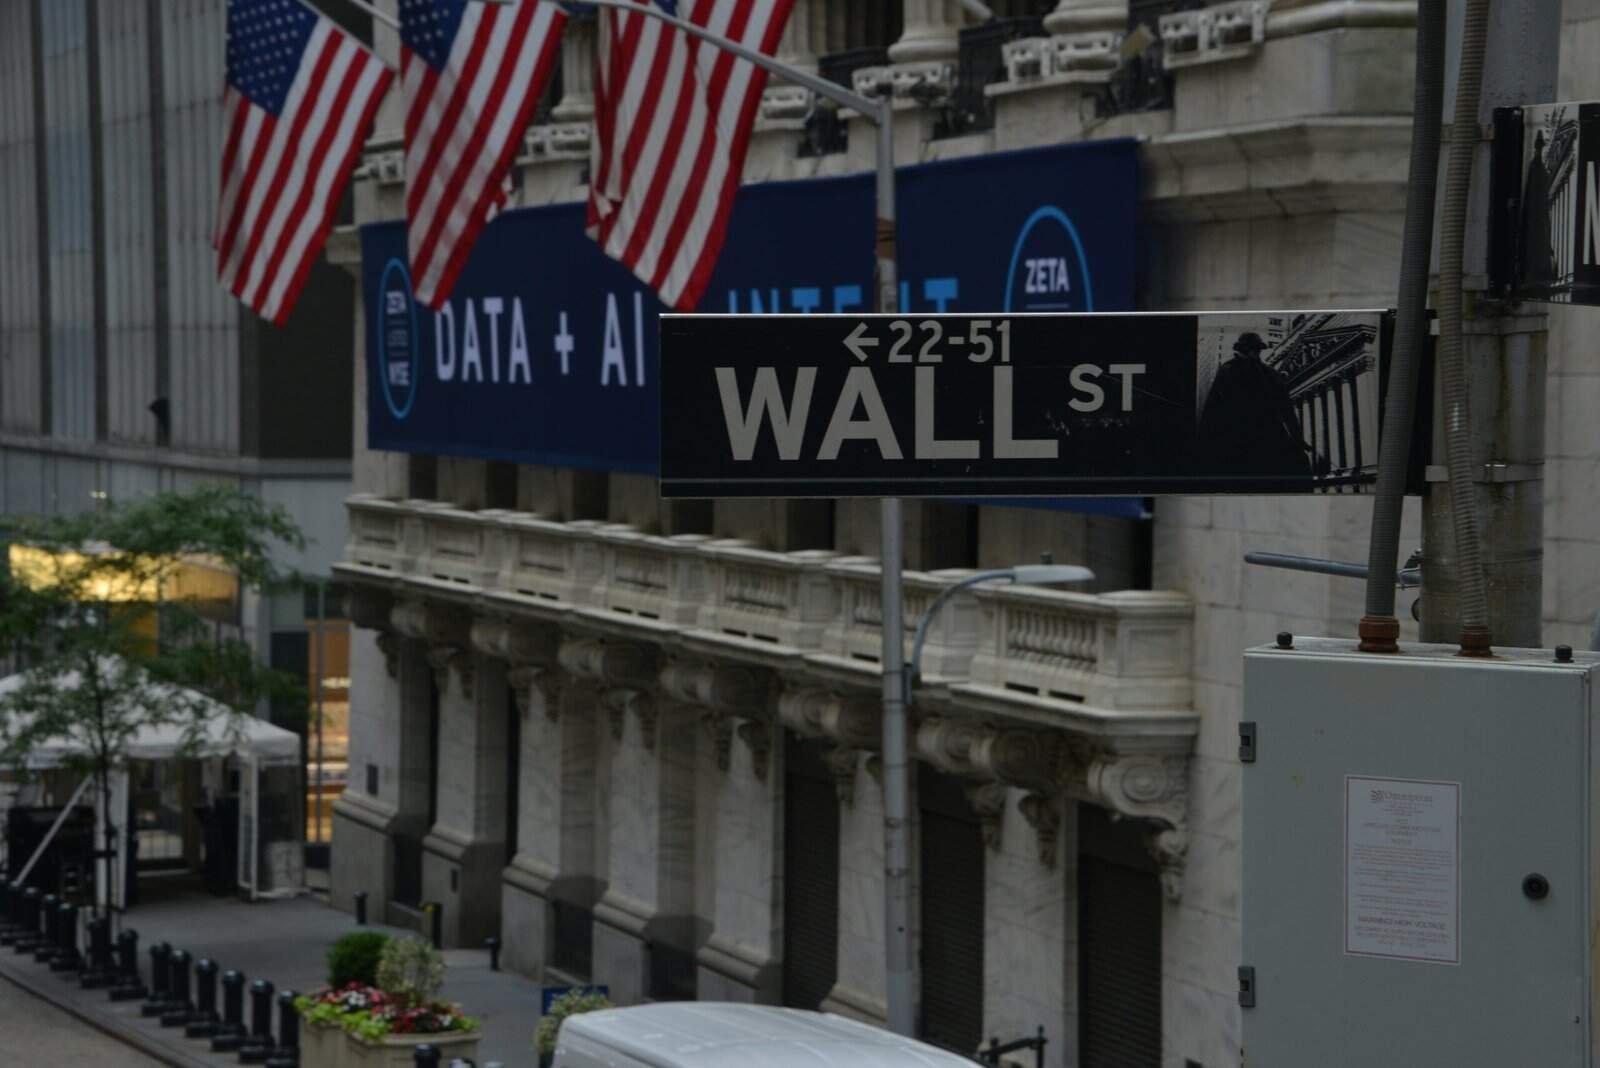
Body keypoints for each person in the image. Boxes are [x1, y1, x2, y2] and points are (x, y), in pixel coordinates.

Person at [1196, 332, 1314, 484]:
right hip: (1257, 437)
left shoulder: (1231, 370)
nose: (1255, 352)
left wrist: (1298, 439)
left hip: (1246, 438)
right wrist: (1298, 439)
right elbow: (1287, 410)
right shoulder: (1266, 373)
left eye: (1255, 349)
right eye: (1253, 349)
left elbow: (1213, 410)